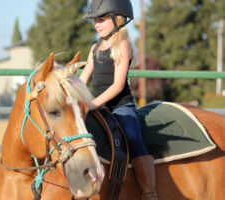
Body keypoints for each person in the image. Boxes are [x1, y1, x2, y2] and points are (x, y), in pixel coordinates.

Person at [80, 0, 158, 200]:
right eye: (95, 21)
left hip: (120, 107)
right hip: (98, 107)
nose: (97, 25)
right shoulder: (94, 47)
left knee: (133, 138)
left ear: (118, 19)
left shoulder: (122, 45)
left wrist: (93, 104)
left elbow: (118, 85)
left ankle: (149, 191)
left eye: (101, 20)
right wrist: (75, 97)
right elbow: (83, 79)